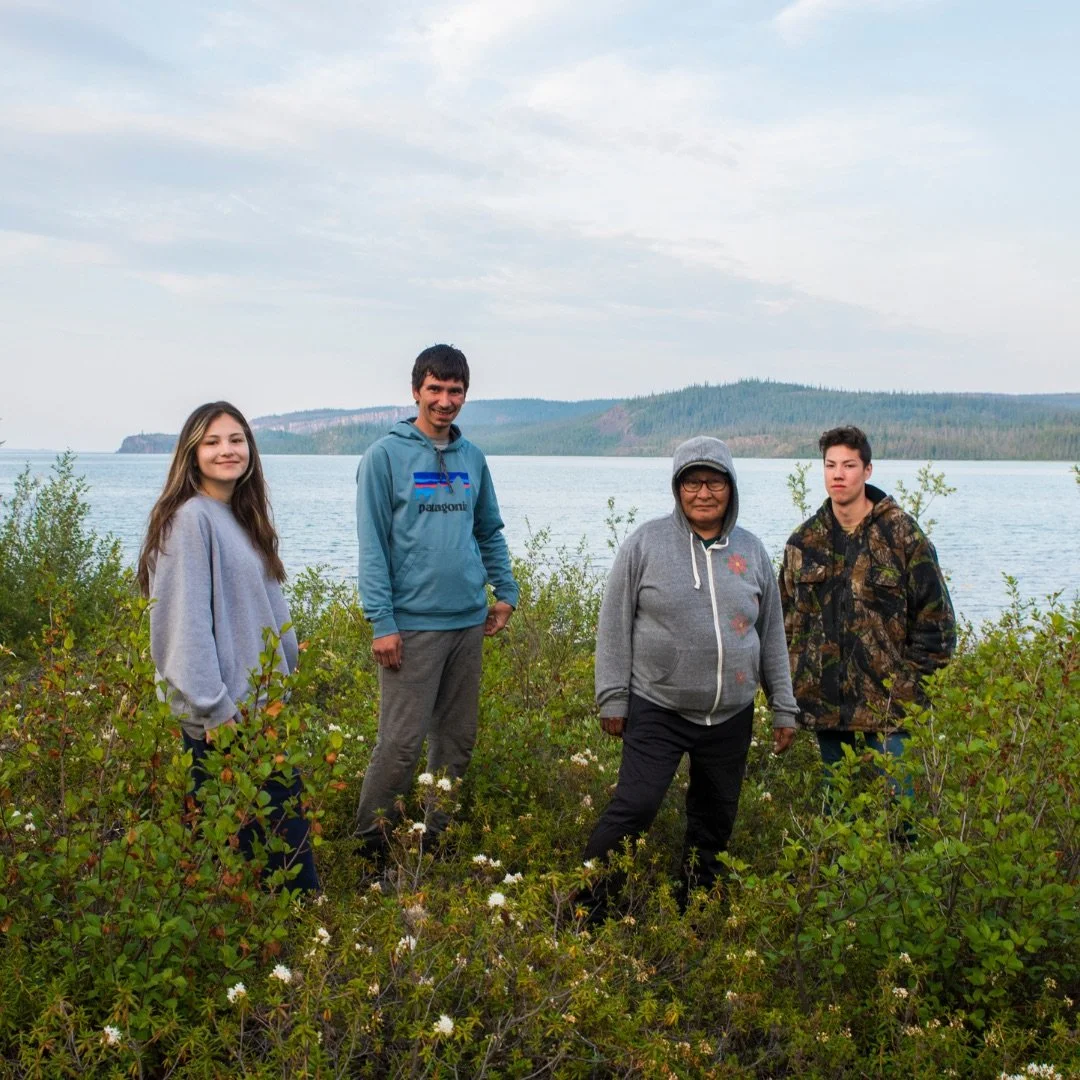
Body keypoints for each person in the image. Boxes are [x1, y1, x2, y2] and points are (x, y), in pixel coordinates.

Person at [582, 436, 798, 914]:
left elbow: (772, 634)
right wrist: (613, 697)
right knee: (634, 808)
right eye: (693, 482)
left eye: (714, 481)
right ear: (678, 489)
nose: (704, 492)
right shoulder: (646, 544)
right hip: (658, 706)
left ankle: (694, 915)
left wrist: (783, 705)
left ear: (731, 487)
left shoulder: (752, 551)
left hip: (731, 713)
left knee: (713, 822)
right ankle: (588, 908)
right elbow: (613, 622)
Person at [138, 401, 319, 893]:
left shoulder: (239, 515)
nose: (226, 450)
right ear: (192, 452)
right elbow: (183, 628)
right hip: (226, 724)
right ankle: (283, 965)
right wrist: (215, 710)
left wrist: (283, 674)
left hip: (263, 713)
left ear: (250, 450)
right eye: (213, 441)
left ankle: (288, 961)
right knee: (259, 872)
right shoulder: (189, 521)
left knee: (279, 862)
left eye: (236, 439)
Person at [353, 344, 519, 863]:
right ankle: (370, 851)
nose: (445, 401)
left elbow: (488, 529)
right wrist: (382, 621)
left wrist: (505, 591)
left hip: (468, 623)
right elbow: (372, 545)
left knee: (456, 744)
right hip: (412, 627)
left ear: (465, 394)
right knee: (400, 747)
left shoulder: (472, 458)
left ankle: (433, 841)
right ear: (416, 391)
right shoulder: (385, 456)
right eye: (436, 390)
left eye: (455, 391)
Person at [778, 425, 956, 794]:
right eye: (830, 465)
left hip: (890, 715)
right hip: (824, 712)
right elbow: (782, 626)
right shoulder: (803, 541)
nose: (838, 474)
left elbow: (937, 625)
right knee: (836, 820)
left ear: (868, 470)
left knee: (901, 825)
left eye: (849, 465)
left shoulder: (903, 535)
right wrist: (789, 691)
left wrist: (909, 688)